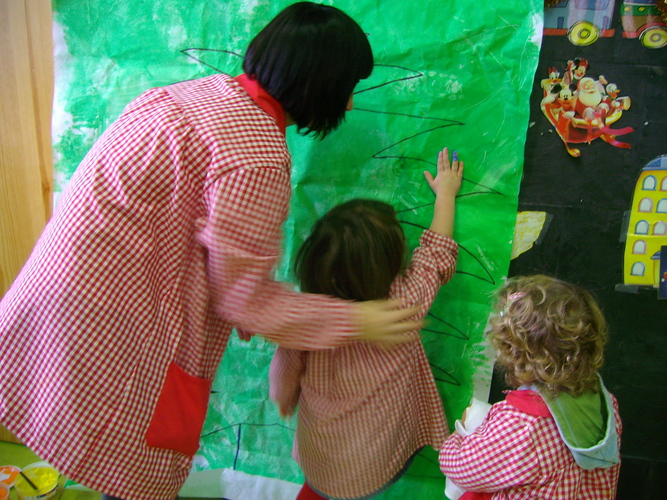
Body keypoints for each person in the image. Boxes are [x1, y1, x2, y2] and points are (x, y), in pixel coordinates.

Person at [0, 3, 421, 500]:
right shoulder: (256, 156)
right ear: (318, 82)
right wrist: (359, 321)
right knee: (129, 470)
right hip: (113, 332)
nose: (348, 106)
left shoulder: (183, 97)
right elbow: (242, 299)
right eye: (346, 88)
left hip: (45, 305)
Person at [270, 147, 465, 500]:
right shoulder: (404, 303)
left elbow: (283, 374)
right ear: (389, 266)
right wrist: (446, 194)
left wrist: (283, 398)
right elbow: (436, 254)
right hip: (378, 459)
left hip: (322, 458)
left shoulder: (306, 319)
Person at [439, 275, 622, 500]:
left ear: (513, 351)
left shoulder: (522, 424)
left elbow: (461, 470)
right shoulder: (603, 399)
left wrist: (459, 434)